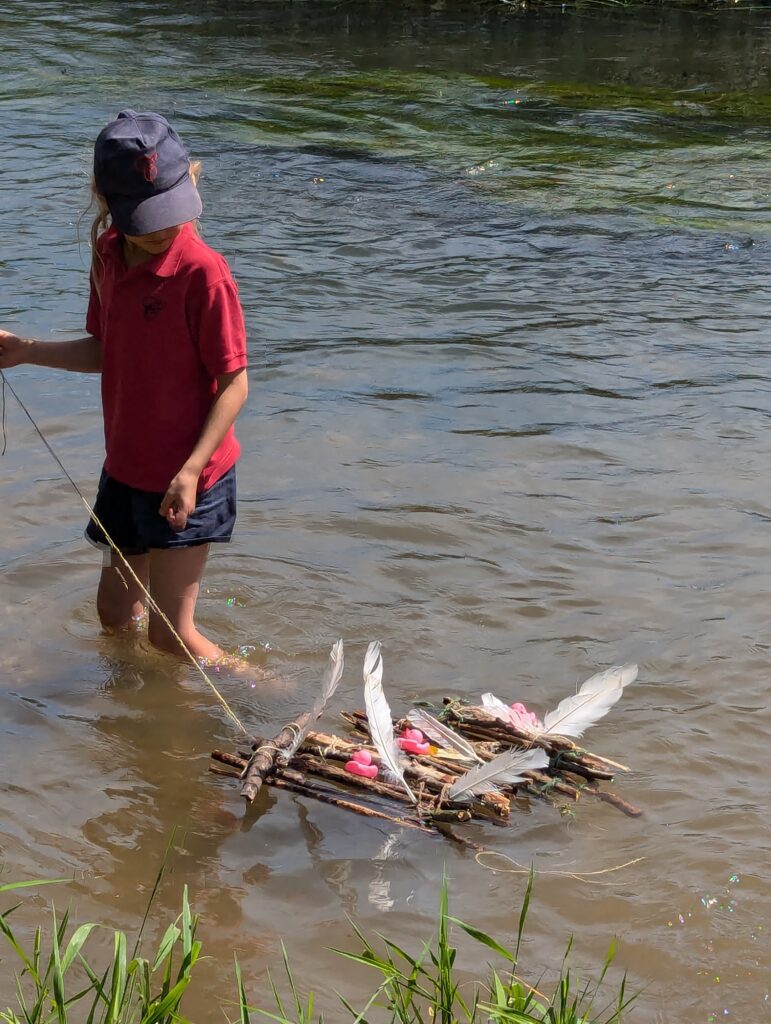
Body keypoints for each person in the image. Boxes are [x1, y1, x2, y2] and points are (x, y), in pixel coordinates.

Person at [0, 109, 249, 666]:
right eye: (146, 217)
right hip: (126, 469)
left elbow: (234, 382)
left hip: (191, 476)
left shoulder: (203, 273)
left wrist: (189, 473)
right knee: (114, 616)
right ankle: (137, 724)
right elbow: (108, 352)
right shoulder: (107, 256)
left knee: (170, 635)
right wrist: (28, 352)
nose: (163, 228)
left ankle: (264, 690)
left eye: (171, 210)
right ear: (106, 200)